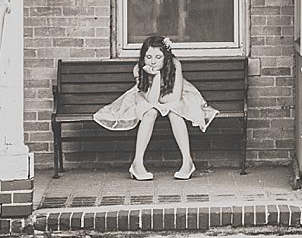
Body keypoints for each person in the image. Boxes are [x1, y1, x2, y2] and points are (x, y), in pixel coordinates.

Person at [93, 35, 218, 180]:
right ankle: (137, 164)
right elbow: (151, 100)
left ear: (166, 57)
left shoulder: (175, 65)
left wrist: (161, 93)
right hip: (146, 96)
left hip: (177, 96)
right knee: (150, 112)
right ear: (143, 57)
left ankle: (187, 162)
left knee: (174, 112)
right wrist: (156, 77)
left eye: (158, 57)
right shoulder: (137, 69)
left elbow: (176, 98)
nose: (153, 61)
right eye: (148, 57)